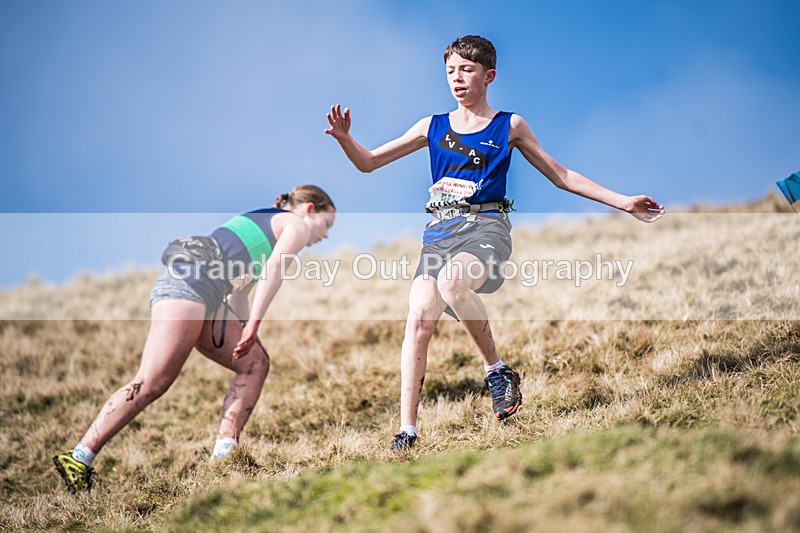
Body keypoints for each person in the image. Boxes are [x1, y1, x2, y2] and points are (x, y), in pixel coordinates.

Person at [324, 35, 663, 451]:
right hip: (439, 234)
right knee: (419, 320)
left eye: (466, 70)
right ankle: (407, 431)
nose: (457, 78)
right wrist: (345, 139)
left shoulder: (509, 126)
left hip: (486, 228)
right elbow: (370, 162)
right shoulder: (431, 126)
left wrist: (624, 202)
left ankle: (496, 371)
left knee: (453, 282)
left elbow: (562, 176)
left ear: (489, 76)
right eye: (450, 71)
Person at [53, 185, 335, 493]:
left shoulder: (269, 227)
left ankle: (224, 458)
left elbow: (240, 295)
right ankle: (79, 457)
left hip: (207, 295)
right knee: (152, 382)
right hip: (189, 285)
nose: (326, 235)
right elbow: (275, 269)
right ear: (309, 209)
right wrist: (253, 325)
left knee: (255, 363)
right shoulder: (293, 224)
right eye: (327, 223)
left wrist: (245, 329)